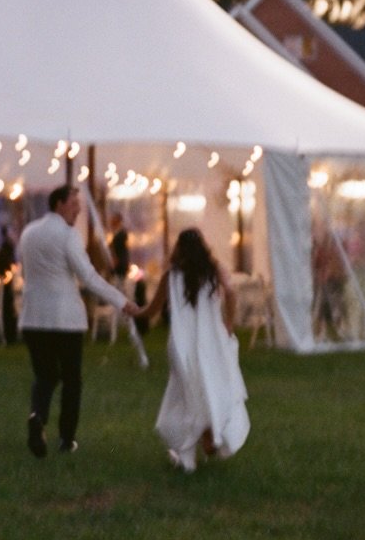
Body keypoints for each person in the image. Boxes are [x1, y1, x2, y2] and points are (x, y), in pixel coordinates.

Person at [18, 185, 139, 458]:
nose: (78, 210)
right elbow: (89, 276)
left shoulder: (28, 233)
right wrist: (122, 302)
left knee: (44, 375)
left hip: (33, 318)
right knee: (72, 379)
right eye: (74, 205)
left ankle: (37, 416)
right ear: (59, 204)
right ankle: (66, 439)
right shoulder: (68, 234)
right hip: (65, 319)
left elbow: (27, 271)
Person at [137, 228, 250, 473]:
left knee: (185, 394)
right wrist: (228, 323)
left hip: (181, 344)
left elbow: (152, 309)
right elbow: (230, 292)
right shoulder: (213, 271)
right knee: (213, 386)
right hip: (211, 342)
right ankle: (210, 434)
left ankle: (190, 452)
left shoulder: (171, 276)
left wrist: (133, 311)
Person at [0, 225, 19, 344]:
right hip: (7, 283)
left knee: (6, 309)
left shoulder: (3, 250)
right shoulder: (8, 248)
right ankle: (10, 334)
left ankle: (9, 334)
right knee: (8, 309)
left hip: (4, 282)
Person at [108, 212, 131, 282]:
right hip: (118, 264)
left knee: (119, 283)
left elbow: (120, 250)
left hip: (120, 264)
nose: (111, 223)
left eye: (114, 221)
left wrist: (116, 260)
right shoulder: (116, 234)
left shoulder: (122, 235)